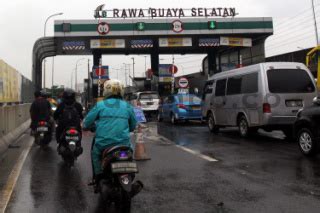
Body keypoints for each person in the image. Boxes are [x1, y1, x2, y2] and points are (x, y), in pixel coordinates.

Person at [83, 79, 137, 184]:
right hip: (123, 144)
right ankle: (129, 173)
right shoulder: (127, 106)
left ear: (106, 91)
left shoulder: (100, 105)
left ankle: (98, 177)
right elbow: (133, 125)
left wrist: (87, 127)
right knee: (130, 150)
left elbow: (86, 123)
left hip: (103, 144)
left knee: (95, 153)